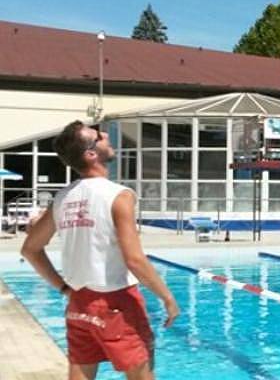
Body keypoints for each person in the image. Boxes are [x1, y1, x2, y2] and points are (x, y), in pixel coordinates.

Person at [21, 121, 179, 380]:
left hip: (78, 302)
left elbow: (31, 249)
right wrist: (168, 298)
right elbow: (135, 260)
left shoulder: (63, 198)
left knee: (81, 372)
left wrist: (64, 289)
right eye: (98, 136)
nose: (106, 135)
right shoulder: (119, 196)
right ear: (91, 154)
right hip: (117, 301)